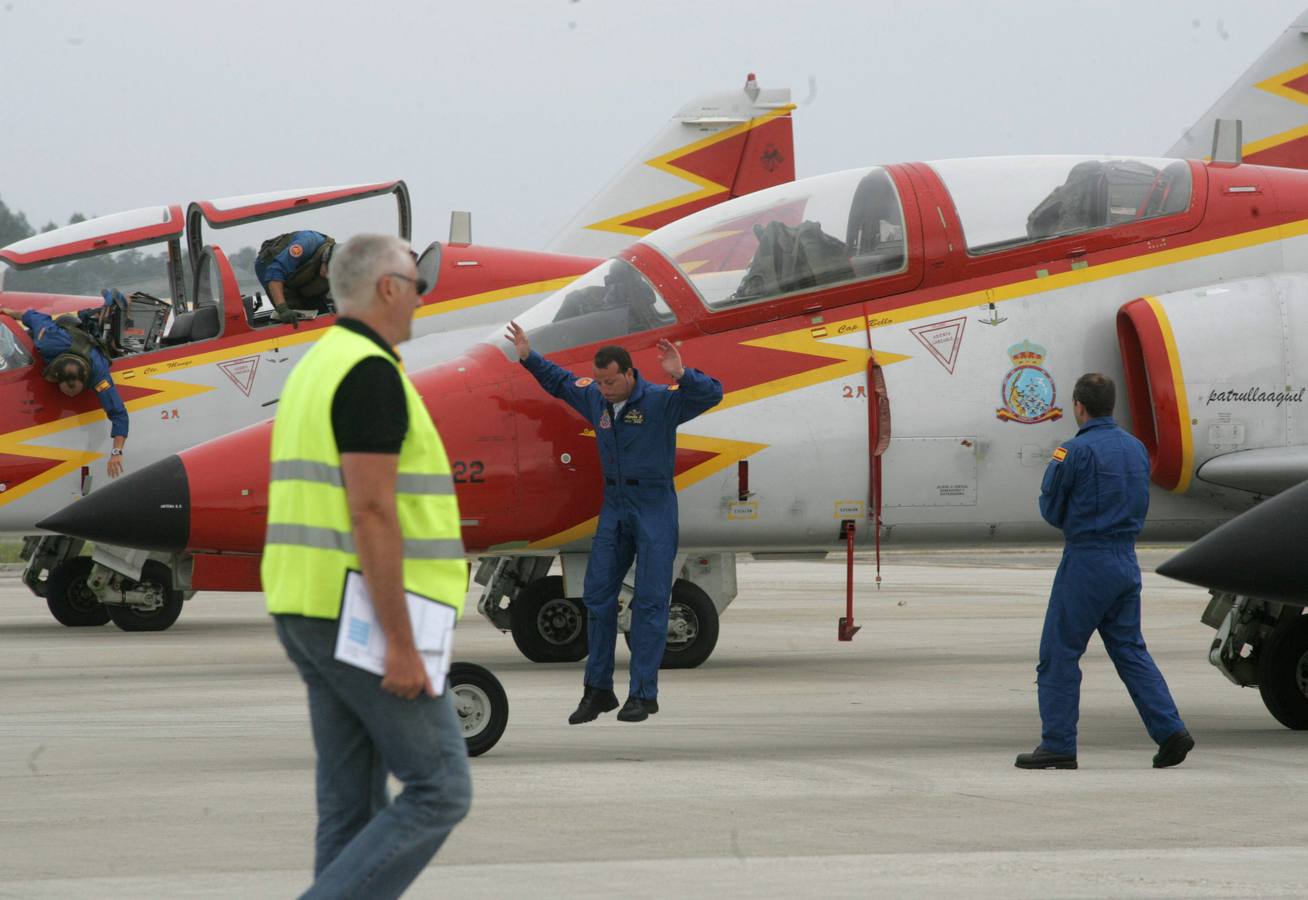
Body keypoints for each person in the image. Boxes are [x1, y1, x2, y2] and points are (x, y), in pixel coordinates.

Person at [261, 234, 469, 898]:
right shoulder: (370, 373)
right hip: (359, 614)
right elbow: (373, 511)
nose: (421, 298)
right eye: (417, 285)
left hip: (306, 604)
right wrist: (401, 644)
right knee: (440, 788)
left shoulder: (318, 365)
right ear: (388, 288)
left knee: (351, 811)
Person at [506, 320, 723, 724]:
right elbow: (560, 381)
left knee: (652, 600)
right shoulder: (596, 399)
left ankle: (643, 693)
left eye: (610, 383)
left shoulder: (661, 400)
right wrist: (529, 359)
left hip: (654, 504)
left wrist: (680, 373)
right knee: (597, 597)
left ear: (628, 374)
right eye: (600, 383)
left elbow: (713, 394)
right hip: (616, 505)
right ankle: (598, 690)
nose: (603, 390)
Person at [1016, 373, 1194, 770]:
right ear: (1111, 405)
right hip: (1125, 561)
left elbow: (1051, 509)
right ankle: (1170, 731)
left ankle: (1058, 743)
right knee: (1130, 651)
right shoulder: (1135, 449)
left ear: (1079, 405)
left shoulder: (1073, 451)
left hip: (1087, 562)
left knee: (1059, 654)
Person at [1, 290, 128, 478]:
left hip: (83, 339)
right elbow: (30, 316)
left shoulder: (98, 372)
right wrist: (8, 312)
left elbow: (119, 414)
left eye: (74, 392)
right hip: (61, 334)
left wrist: (116, 453)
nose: (70, 396)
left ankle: (108, 308)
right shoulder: (48, 342)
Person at [254, 229, 336, 324]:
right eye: (331, 270)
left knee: (321, 310)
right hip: (269, 265)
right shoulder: (305, 244)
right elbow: (274, 271)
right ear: (325, 259)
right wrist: (282, 309)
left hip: (301, 272)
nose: (330, 276)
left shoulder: (346, 261)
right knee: (293, 314)